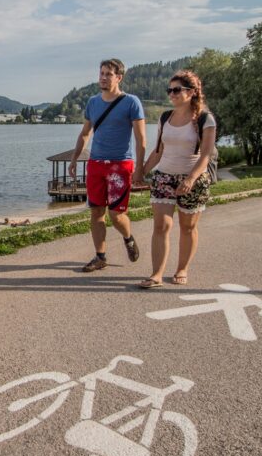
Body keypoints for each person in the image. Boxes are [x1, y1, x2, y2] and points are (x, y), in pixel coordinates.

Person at [137, 70, 217, 288]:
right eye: (169, 90)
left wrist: (191, 179)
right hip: (164, 176)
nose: (171, 94)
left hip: (192, 178)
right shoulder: (165, 117)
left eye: (176, 90)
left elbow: (206, 155)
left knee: (187, 227)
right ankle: (156, 274)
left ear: (191, 92)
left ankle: (182, 268)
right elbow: (158, 151)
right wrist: (141, 172)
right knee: (161, 225)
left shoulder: (204, 119)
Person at [68, 58, 147, 271]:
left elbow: (141, 139)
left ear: (119, 77)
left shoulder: (131, 102)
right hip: (95, 164)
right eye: (101, 73)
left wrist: (139, 168)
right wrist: (75, 159)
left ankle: (128, 237)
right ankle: (100, 256)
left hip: (120, 165)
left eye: (108, 74)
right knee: (96, 212)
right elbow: (85, 133)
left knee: (116, 214)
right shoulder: (93, 102)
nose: (103, 77)